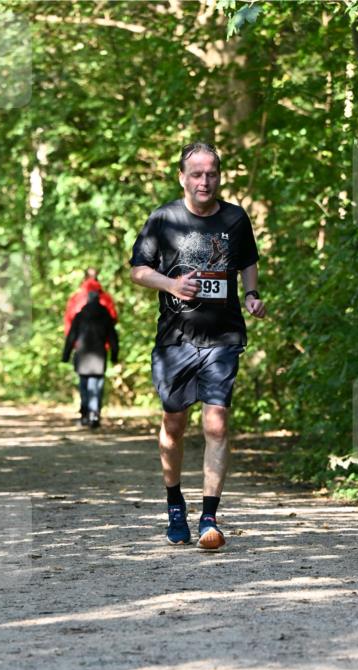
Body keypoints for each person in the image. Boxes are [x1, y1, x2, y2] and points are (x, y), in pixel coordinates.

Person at [130, 141, 265, 549]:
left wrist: (252, 294)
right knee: (174, 423)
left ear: (219, 177)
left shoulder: (235, 219)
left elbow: (247, 262)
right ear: (182, 178)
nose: (204, 181)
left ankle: (209, 516)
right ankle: (175, 503)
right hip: (175, 340)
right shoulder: (164, 219)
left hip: (223, 336)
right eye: (197, 174)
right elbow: (138, 271)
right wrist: (171, 284)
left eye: (211, 174)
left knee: (217, 421)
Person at [62, 289, 119, 429]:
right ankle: (94, 415)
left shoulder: (80, 316)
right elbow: (113, 338)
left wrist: (65, 355)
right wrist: (114, 355)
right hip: (99, 356)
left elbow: (71, 337)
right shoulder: (106, 316)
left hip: (82, 356)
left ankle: (85, 415)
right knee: (96, 387)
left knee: (84, 387)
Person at [63, 270, 118, 338]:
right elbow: (113, 319)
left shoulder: (75, 299)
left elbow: (68, 324)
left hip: (80, 344)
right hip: (101, 343)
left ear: (84, 279)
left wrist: (72, 343)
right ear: (97, 279)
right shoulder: (106, 298)